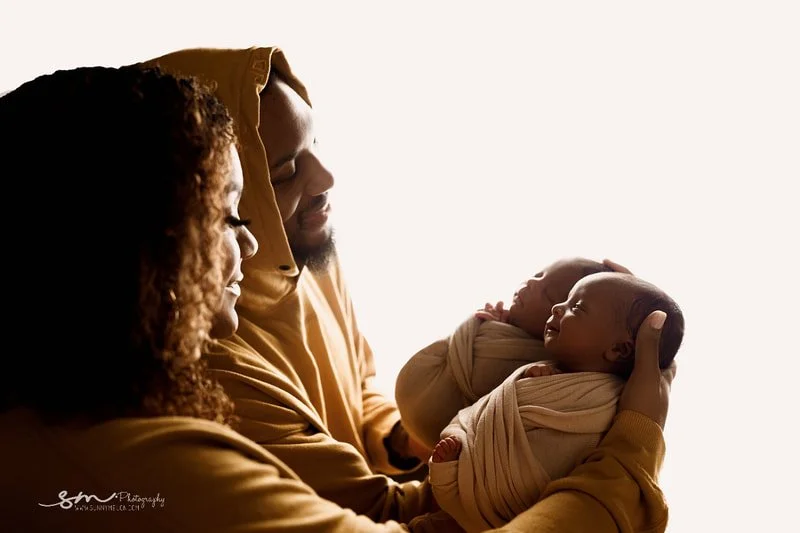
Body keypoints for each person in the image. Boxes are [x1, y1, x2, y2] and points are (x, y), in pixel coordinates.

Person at [0, 63, 672, 533]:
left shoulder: (304, 263)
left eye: (314, 146)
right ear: (137, 244)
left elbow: (363, 394)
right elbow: (369, 515)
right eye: (236, 212)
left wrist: (445, 427)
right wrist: (627, 451)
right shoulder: (134, 472)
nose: (256, 244)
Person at [427, 272, 684, 532]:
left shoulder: (607, 400)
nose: (557, 308)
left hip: (512, 492)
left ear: (619, 350)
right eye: (565, 299)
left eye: (577, 307)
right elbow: (510, 401)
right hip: (485, 477)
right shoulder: (557, 368)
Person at [396, 257, 614, 450]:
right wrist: (488, 328)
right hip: (416, 423)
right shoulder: (504, 325)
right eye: (537, 275)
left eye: (547, 295)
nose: (530, 284)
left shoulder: (547, 362)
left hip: (449, 433)